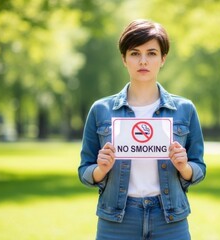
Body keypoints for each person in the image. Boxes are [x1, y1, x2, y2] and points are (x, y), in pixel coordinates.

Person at [78, 19, 206, 240]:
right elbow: (84, 171)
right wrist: (101, 169)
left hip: (169, 219)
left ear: (163, 58)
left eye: (152, 53)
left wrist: (184, 166)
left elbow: (199, 168)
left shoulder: (185, 109)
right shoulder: (101, 110)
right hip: (117, 219)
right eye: (135, 53)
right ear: (124, 59)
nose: (143, 61)